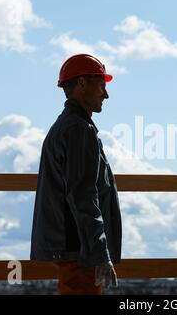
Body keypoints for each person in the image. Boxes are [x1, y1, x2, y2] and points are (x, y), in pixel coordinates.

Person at [30, 54, 122, 295]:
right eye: (101, 85)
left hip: (73, 246)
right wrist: (100, 253)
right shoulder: (78, 130)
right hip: (80, 248)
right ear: (82, 83)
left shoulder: (68, 126)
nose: (106, 94)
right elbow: (83, 196)